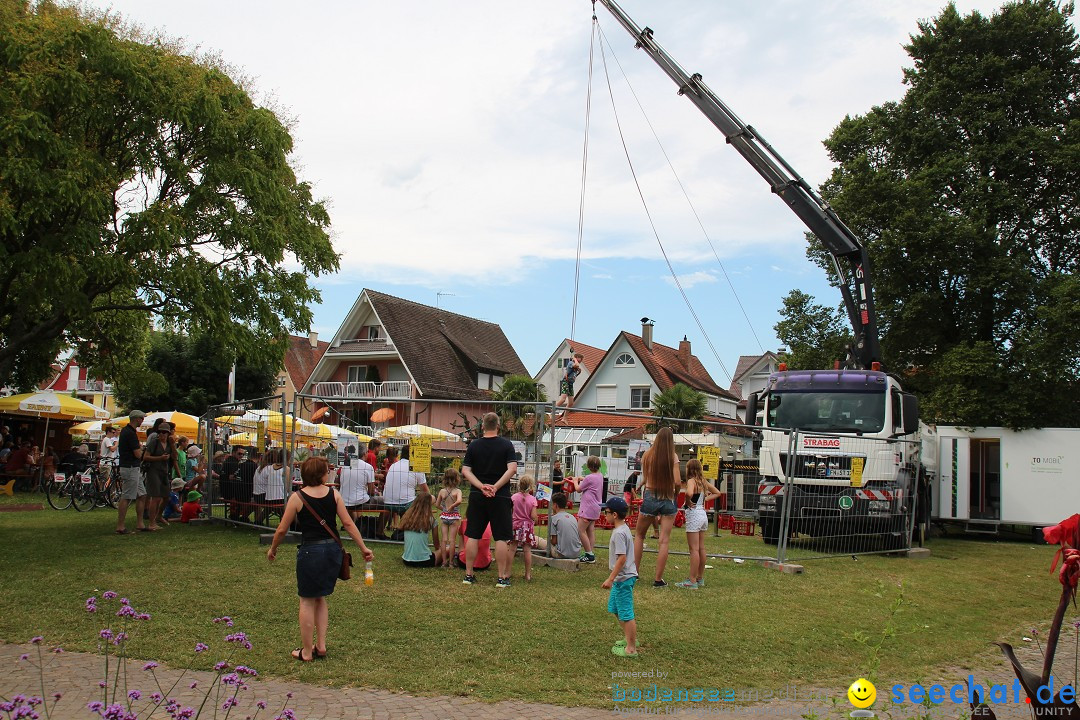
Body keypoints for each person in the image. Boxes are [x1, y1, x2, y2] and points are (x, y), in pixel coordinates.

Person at [267, 456, 374, 663]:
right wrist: (363, 547)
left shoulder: (297, 497)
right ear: (322, 474)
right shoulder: (334, 494)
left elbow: (282, 529)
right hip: (332, 551)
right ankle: (321, 645)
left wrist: (273, 548)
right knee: (321, 597)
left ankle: (307, 651)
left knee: (307, 600)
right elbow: (348, 524)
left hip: (310, 552)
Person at [461, 412, 518, 588]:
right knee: (501, 537)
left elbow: (465, 471)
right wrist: (495, 486)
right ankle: (501, 578)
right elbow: (512, 469)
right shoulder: (506, 445)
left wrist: (481, 487)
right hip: (500, 496)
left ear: (483, 426)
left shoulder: (474, 445)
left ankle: (469, 574)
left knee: (473, 534)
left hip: (478, 496)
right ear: (498, 425)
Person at [633, 426, 681, 588]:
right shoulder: (672, 457)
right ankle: (658, 579)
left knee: (639, 536)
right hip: (667, 497)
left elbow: (646, 477)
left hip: (650, 495)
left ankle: (635, 573)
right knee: (664, 541)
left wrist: (641, 487)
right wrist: (676, 493)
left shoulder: (647, 455)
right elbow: (677, 482)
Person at [601, 497, 639, 657]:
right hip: (621, 579)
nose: (604, 515)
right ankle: (629, 638)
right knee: (615, 609)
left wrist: (610, 578)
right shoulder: (624, 528)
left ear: (614, 514)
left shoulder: (618, 533)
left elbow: (622, 558)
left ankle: (631, 648)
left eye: (606, 512)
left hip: (623, 579)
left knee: (626, 613)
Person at [677, 458, 722, 589]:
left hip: (694, 514)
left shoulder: (691, 481)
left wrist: (687, 499)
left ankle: (691, 580)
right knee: (701, 548)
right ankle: (700, 577)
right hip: (703, 514)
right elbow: (717, 493)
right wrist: (705, 499)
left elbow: (690, 493)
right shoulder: (703, 481)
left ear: (688, 469)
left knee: (694, 549)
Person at [115, 410, 148, 535]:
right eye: (141, 418)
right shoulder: (130, 433)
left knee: (142, 495)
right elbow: (138, 454)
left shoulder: (126, 431)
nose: (142, 421)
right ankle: (120, 526)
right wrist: (142, 450)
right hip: (130, 467)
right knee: (127, 496)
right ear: (137, 419)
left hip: (132, 467)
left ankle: (140, 523)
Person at [509, 475, 546, 581]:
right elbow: (534, 516)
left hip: (515, 525)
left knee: (512, 549)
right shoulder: (533, 499)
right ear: (531, 487)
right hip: (527, 527)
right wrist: (536, 520)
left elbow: (511, 511)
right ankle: (527, 574)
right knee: (527, 550)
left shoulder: (514, 497)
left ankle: (507, 571)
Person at [383, 445, 428, 531]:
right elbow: (426, 492)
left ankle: (397, 529)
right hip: (405, 504)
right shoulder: (416, 467)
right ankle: (415, 527)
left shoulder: (393, 466)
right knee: (429, 499)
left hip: (387, 502)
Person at [142, 422, 175, 530]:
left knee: (166, 496)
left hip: (164, 472)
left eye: (165, 432)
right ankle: (151, 523)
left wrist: (173, 445)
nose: (162, 434)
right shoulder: (154, 443)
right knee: (155, 497)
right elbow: (145, 457)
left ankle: (159, 516)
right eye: (160, 432)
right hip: (153, 471)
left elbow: (174, 457)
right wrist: (160, 458)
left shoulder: (169, 444)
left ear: (168, 433)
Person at [399, 491, 444, 567]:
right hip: (424, 561)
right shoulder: (431, 520)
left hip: (406, 560)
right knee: (447, 549)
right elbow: (436, 545)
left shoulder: (407, 518)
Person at [576, 456, 603, 564]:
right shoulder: (599, 476)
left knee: (580, 530)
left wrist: (575, 481)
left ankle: (589, 554)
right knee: (590, 530)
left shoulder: (589, 478)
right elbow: (590, 481)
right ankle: (590, 553)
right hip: (596, 508)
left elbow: (578, 489)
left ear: (588, 466)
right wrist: (582, 479)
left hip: (587, 508)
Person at [436, 468, 463, 567]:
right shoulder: (457, 491)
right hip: (454, 517)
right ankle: (451, 562)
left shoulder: (442, 491)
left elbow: (437, 504)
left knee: (444, 539)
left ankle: (444, 562)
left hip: (444, 516)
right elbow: (459, 501)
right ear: (457, 478)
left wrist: (444, 509)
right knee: (452, 540)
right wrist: (452, 506)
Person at [548, 492, 582, 560]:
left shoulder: (554, 519)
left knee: (539, 541)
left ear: (555, 505)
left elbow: (554, 541)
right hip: (576, 553)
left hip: (561, 554)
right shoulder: (572, 517)